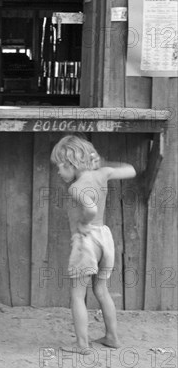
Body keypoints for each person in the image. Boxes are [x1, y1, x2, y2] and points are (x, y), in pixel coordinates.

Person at [50, 135, 137, 353]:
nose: (59, 173)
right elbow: (131, 170)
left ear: (71, 163)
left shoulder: (76, 188)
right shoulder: (103, 173)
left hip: (87, 241)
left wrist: (82, 223)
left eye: (60, 167)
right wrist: (105, 163)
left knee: (77, 294)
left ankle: (81, 343)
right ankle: (112, 336)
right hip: (105, 237)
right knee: (101, 289)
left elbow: (90, 209)